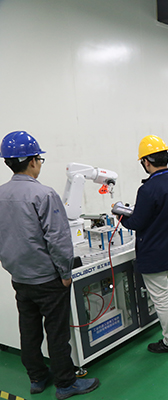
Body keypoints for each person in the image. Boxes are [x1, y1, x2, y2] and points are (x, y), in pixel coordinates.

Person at [0, 131, 100, 399]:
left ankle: (37, 378)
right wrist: (65, 272)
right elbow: (58, 238)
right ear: (33, 161)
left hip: (20, 277)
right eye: (39, 159)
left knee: (29, 330)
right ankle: (66, 383)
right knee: (56, 332)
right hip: (47, 278)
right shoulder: (43, 194)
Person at [118, 135, 168, 353]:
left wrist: (121, 216)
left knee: (161, 297)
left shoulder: (148, 189)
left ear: (146, 162)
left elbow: (137, 222)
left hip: (153, 253)